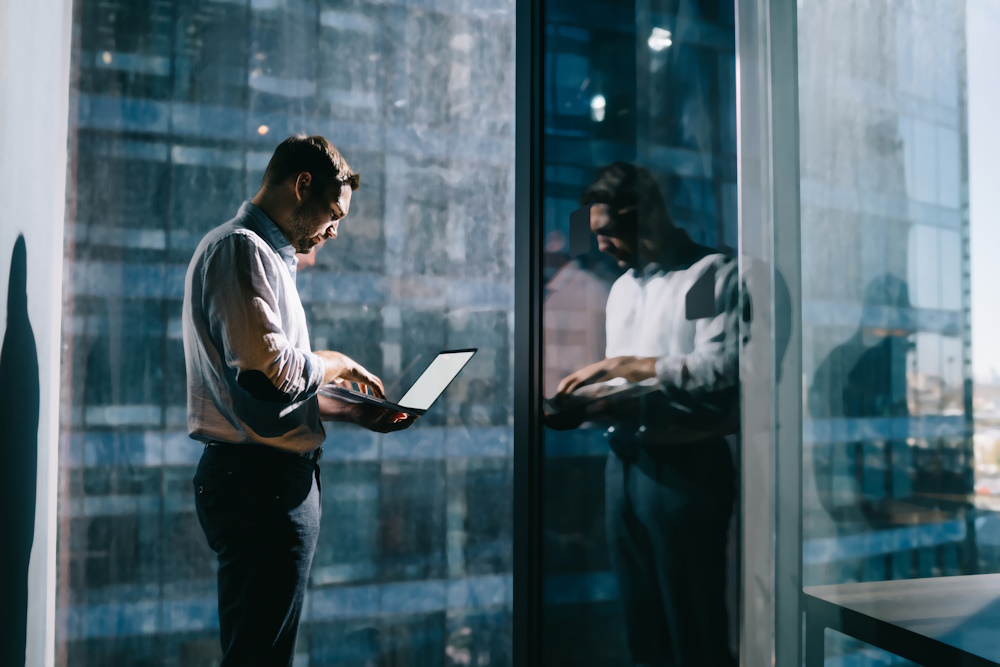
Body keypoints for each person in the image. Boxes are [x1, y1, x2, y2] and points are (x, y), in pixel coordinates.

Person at [182, 135, 416, 666]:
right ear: (301, 185)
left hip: (263, 483)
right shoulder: (241, 249)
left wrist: (355, 410)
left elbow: (260, 394)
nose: (334, 229)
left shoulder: (262, 257)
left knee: (264, 653)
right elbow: (271, 377)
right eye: (333, 212)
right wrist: (335, 360)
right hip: (259, 486)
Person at [554, 162, 740, 667]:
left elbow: (719, 367)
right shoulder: (621, 290)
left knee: (693, 627)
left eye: (608, 232)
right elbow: (627, 383)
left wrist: (628, 367)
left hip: (687, 468)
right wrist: (586, 403)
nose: (600, 246)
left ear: (647, 216)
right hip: (624, 465)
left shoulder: (708, 275)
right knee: (642, 626)